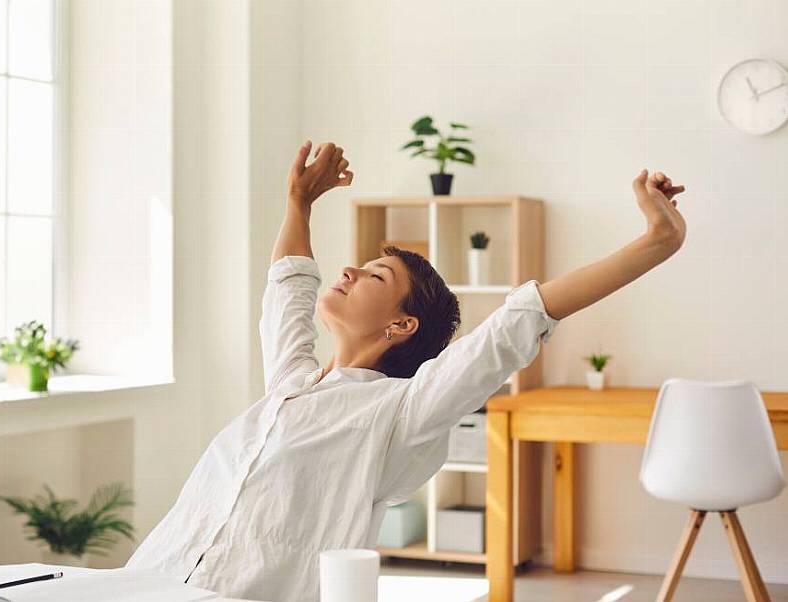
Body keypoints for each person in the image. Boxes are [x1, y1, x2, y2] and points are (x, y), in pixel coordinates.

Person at [125, 141, 686, 602]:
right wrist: (299, 202)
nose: (349, 269)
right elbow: (288, 289)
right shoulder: (290, 386)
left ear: (400, 326)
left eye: (374, 275)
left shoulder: (400, 411)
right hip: (149, 579)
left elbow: (520, 319)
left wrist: (657, 243)